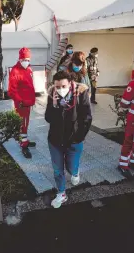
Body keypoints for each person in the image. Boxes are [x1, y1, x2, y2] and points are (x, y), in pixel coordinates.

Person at [45, 71, 92, 208]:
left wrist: (79, 137)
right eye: (57, 86)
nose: (60, 89)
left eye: (63, 86)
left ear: (71, 83)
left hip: (74, 140)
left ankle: (75, 171)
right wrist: (54, 106)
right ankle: (61, 193)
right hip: (55, 140)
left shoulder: (81, 94)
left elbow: (87, 117)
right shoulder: (52, 94)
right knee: (58, 170)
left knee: (71, 167)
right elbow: (48, 118)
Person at [8, 47, 36, 159]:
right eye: (24, 59)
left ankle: (25, 140)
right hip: (21, 103)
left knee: (26, 122)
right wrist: (20, 101)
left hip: (28, 102)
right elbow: (11, 91)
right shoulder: (15, 71)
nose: (26, 61)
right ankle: (23, 144)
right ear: (20, 59)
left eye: (28, 59)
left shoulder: (29, 69)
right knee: (22, 124)